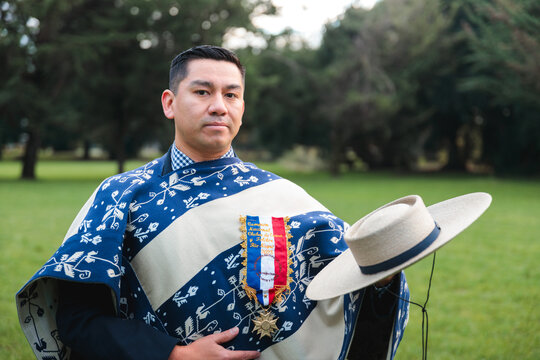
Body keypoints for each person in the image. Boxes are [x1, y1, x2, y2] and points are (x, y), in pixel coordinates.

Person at [16, 45, 409, 360]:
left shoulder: (286, 198)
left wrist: (386, 276)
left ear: (241, 107)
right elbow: (78, 320)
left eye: (231, 94)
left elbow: (357, 293)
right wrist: (173, 354)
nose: (219, 105)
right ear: (170, 103)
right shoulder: (120, 197)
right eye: (203, 91)